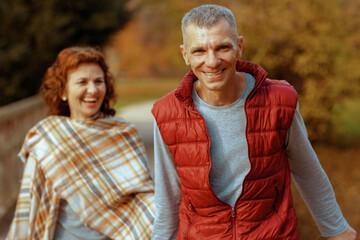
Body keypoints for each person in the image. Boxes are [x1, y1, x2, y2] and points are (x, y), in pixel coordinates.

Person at [151, 4, 357, 240]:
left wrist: (337, 229)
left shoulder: (279, 101)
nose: (212, 61)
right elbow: (167, 199)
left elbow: (308, 171)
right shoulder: (167, 114)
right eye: (199, 51)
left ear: (239, 46)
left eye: (222, 47)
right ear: (185, 54)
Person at [7, 46, 155, 239]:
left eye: (98, 81)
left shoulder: (124, 134)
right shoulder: (47, 138)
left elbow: (143, 198)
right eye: (82, 82)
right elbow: (31, 204)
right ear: (63, 91)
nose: (92, 90)